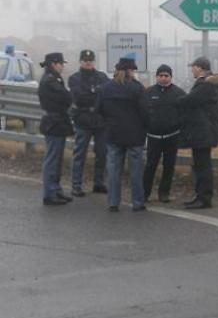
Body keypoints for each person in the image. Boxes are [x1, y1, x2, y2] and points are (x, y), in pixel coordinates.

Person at [96, 57, 149, 212]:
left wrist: (107, 124)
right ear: (129, 71)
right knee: (136, 171)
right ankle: (137, 202)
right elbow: (145, 112)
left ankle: (113, 202)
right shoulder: (137, 88)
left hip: (113, 134)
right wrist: (145, 128)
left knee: (113, 170)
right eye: (133, 70)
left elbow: (98, 110)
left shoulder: (106, 88)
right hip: (134, 135)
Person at [178, 57, 218, 210]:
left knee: (203, 166)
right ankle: (200, 196)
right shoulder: (208, 83)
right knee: (200, 165)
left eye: (193, 67)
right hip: (204, 131)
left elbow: (189, 100)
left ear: (199, 68)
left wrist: (173, 100)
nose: (191, 69)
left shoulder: (205, 85)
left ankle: (204, 198)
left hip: (204, 132)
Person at [68, 48, 109, 196]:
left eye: (90, 60)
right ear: (80, 62)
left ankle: (98, 183)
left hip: (100, 119)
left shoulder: (102, 77)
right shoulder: (74, 78)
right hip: (83, 118)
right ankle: (76, 185)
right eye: (85, 61)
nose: (88, 63)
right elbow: (79, 97)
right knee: (80, 153)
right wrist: (95, 92)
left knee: (102, 153)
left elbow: (106, 94)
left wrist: (93, 93)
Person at [143, 64, 184, 203]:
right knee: (150, 165)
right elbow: (143, 112)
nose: (163, 78)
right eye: (160, 75)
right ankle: (145, 193)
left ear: (171, 77)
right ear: (156, 77)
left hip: (172, 136)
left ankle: (164, 193)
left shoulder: (179, 93)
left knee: (169, 166)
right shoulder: (148, 92)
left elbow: (184, 113)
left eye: (166, 76)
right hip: (153, 137)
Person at [37, 52, 73, 205]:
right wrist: (68, 96)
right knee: (52, 159)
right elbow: (66, 97)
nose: (63, 66)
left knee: (57, 159)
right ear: (54, 63)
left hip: (58, 121)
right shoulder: (49, 80)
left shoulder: (55, 78)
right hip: (54, 121)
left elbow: (66, 98)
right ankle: (49, 194)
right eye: (61, 63)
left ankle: (56, 190)